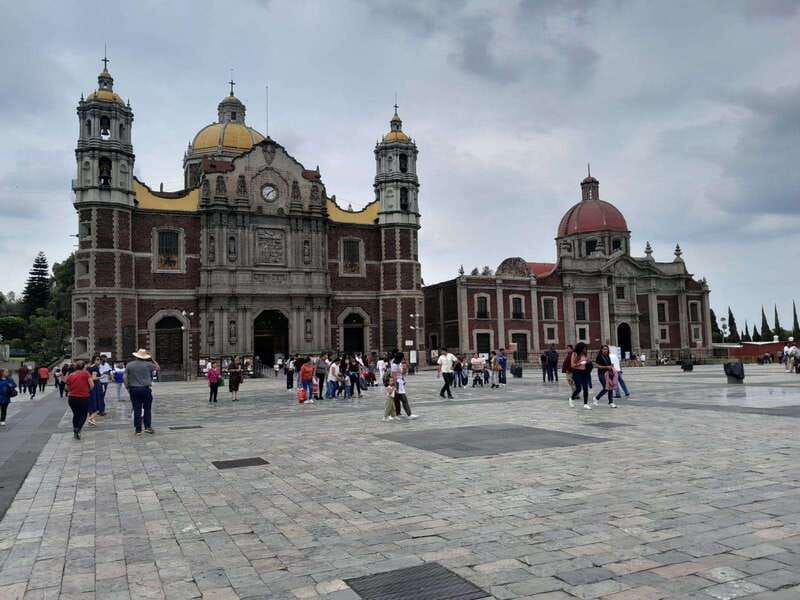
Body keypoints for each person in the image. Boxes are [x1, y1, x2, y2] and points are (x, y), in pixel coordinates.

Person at [124, 349, 160, 436]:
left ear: (136, 356)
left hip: (134, 389)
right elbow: (158, 368)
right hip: (145, 389)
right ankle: (147, 427)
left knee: (137, 409)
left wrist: (127, 387)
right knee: (147, 409)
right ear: (145, 357)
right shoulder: (148, 365)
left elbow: (125, 377)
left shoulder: (129, 365)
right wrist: (151, 359)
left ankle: (138, 430)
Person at [65, 360, 93, 440]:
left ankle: (75, 428)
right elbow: (92, 385)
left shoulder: (71, 375)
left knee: (76, 414)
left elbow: (66, 388)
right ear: (84, 366)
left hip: (72, 398)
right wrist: (87, 390)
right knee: (83, 414)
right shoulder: (86, 373)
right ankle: (78, 429)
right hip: (83, 397)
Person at [391, 352, 418, 419]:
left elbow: (402, 373)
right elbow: (394, 376)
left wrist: (405, 368)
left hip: (400, 382)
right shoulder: (394, 365)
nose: (403, 359)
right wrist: (395, 387)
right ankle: (409, 414)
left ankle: (397, 413)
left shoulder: (399, 364)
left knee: (397, 400)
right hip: (397, 383)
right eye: (402, 357)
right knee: (404, 399)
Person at [569, 342, 591, 409]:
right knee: (579, 388)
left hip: (584, 372)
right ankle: (571, 398)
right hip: (576, 372)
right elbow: (572, 365)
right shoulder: (574, 354)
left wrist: (588, 362)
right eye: (584, 348)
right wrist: (580, 363)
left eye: (585, 349)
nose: (585, 350)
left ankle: (585, 404)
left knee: (585, 388)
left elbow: (587, 361)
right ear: (580, 348)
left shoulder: (585, 354)